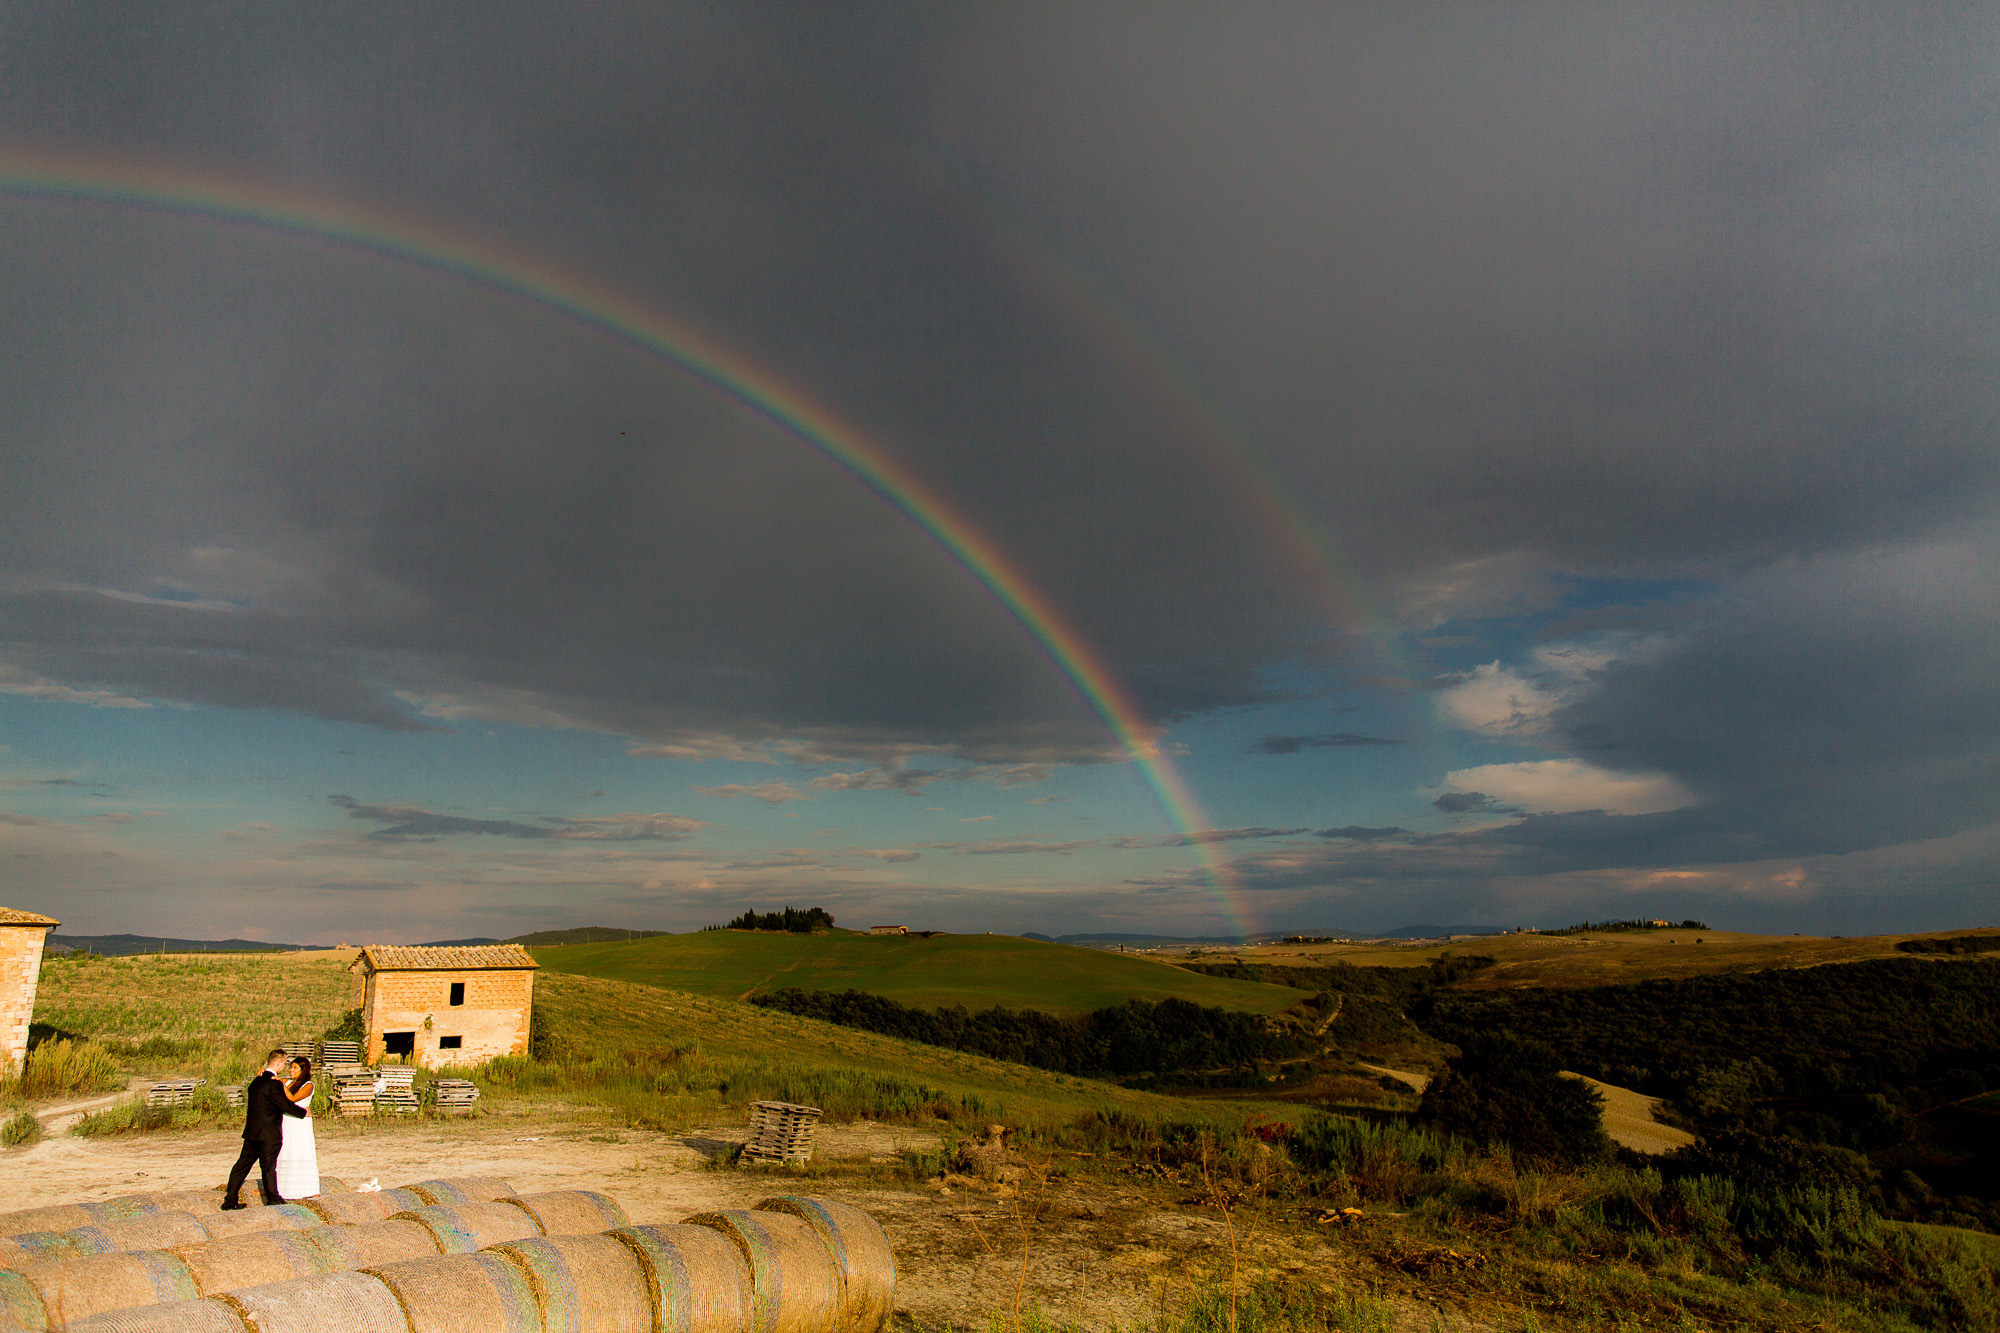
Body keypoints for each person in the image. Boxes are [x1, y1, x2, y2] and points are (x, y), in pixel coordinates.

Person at [222, 1048, 309, 1208]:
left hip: (252, 1133)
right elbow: (284, 1105)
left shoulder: (255, 1082)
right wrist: (303, 1112)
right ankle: (273, 1200)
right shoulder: (273, 1084)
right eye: (284, 1063)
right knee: (268, 1167)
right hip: (269, 1135)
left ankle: (229, 1201)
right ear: (280, 1063)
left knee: (241, 1166)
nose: (285, 1067)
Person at [274, 1055, 320, 1200]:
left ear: (303, 1070)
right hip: (287, 1121)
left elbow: (292, 1098)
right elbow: (273, 1079)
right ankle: (284, 1189)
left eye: (294, 1068)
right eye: (290, 1067)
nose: (291, 1070)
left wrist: (282, 1085)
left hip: (300, 1124)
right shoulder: (288, 1081)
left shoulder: (308, 1085)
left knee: (301, 1152)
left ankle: (309, 1188)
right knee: (286, 1151)